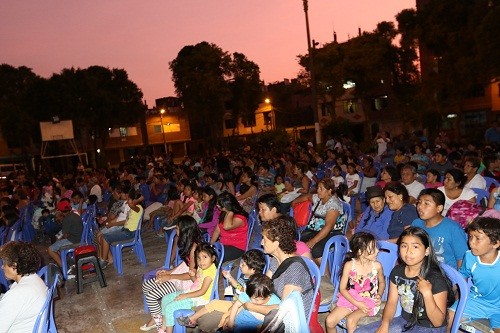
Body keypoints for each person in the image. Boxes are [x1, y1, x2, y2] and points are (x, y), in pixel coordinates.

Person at [354, 227, 454, 333]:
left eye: (415, 247)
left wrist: (427, 294)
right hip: (405, 321)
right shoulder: (397, 272)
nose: (408, 251)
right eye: (404, 246)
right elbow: (392, 302)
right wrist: (385, 324)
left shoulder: (435, 278)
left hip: (429, 328)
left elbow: (438, 322)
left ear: (427, 250)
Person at [177, 249, 267, 331]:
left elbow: (245, 294)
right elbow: (239, 286)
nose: (240, 265)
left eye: (243, 265)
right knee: (214, 303)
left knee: (225, 316)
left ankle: (218, 329)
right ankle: (192, 319)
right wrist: (229, 277)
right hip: (235, 303)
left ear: (252, 270)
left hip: (241, 307)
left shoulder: (254, 283)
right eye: (241, 263)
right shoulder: (245, 276)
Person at [251, 216, 315, 329]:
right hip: (275, 309)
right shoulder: (277, 260)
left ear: (276, 243)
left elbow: (284, 309)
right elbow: (263, 287)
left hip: (288, 321)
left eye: (264, 239)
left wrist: (250, 306)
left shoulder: (295, 269)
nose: (261, 242)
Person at [141, 215, 202, 331]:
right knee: (146, 285)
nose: (176, 230)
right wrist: (169, 271)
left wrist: (169, 276)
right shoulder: (189, 244)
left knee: (151, 296)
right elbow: (186, 264)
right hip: (180, 276)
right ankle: (158, 316)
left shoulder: (195, 248)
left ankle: (159, 322)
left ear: (185, 230)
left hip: (187, 283)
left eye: (178, 228)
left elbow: (191, 275)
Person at [447, 217, 500, 333]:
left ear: (495, 243)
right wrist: (448, 290)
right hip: (476, 301)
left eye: (477, 238)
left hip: (499, 308)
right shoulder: (469, 257)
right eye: (470, 237)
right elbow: (461, 276)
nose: (471, 242)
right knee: (449, 318)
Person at [326, 232, 385, 333]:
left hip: (368, 300)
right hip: (351, 298)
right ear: (360, 252)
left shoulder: (377, 266)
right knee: (329, 321)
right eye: (373, 248)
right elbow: (343, 289)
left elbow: (382, 283)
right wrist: (356, 303)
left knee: (351, 320)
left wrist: (379, 294)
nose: (377, 251)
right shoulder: (349, 265)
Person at [158, 242, 218, 333]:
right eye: (198, 258)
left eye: (205, 257)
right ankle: (163, 328)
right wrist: (193, 276)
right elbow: (196, 282)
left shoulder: (210, 273)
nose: (201, 261)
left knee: (170, 308)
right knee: (165, 299)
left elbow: (202, 291)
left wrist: (185, 295)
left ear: (213, 258)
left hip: (199, 300)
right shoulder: (203, 267)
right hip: (193, 292)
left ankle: (169, 331)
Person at [412, 189, 468, 269]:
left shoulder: (453, 229)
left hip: (445, 275)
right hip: (421, 270)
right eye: (419, 202)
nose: (420, 207)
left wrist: (459, 281)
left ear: (439, 208)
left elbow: (462, 259)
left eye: (426, 203)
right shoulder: (416, 224)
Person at [294, 178, 346, 263]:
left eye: (321, 189)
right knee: (298, 241)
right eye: (318, 188)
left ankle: (323, 273)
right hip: (316, 229)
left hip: (332, 232)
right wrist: (295, 202)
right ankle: (308, 266)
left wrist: (313, 241)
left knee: (316, 250)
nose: (318, 190)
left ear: (329, 191)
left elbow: (329, 227)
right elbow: (307, 196)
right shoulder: (318, 198)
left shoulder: (334, 205)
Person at [0, 241, 48, 333]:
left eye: (4, 263)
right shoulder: (34, 278)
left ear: (14, 265)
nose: (2, 267)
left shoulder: (17, 294)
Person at [97, 188, 143, 268]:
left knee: (104, 238)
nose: (128, 200)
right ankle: (103, 259)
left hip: (130, 233)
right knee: (101, 236)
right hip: (125, 230)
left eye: (130, 199)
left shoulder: (138, 208)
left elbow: (131, 204)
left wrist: (139, 199)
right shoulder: (134, 208)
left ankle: (103, 261)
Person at [257, 193, 312, 258]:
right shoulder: (268, 224)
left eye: (263, 209)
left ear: (274, 210)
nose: (260, 212)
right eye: (259, 209)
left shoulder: (285, 223)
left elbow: (287, 246)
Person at [210, 192, 248, 262]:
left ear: (226, 206)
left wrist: (230, 212)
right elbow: (217, 230)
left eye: (219, 205)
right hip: (224, 245)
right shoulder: (224, 213)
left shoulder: (240, 218)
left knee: (213, 257)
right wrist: (210, 244)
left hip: (237, 248)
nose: (217, 206)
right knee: (206, 252)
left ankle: (214, 272)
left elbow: (226, 226)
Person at [47, 200, 83, 271]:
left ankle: (64, 268)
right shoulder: (75, 214)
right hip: (79, 237)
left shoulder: (67, 219)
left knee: (50, 249)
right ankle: (65, 261)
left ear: (61, 211)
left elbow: (65, 236)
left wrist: (59, 240)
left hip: (74, 240)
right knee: (57, 243)